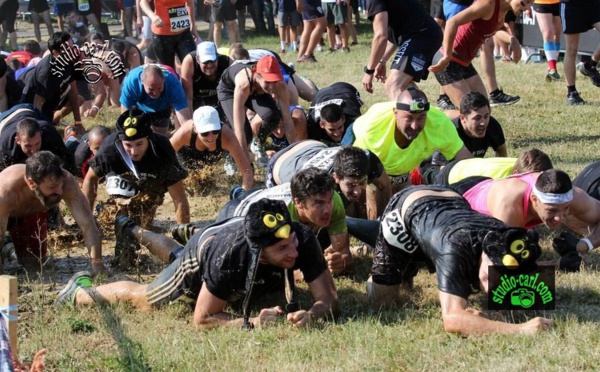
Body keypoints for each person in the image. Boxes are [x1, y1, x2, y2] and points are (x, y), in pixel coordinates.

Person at [56, 199, 339, 330]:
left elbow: (328, 297)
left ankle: (132, 229)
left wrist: (315, 313)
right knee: (146, 298)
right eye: (281, 248)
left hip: (231, 236)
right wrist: (252, 322)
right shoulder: (229, 257)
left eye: (292, 243)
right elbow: (202, 319)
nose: (293, 253)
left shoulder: (300, 237)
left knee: (176, 257)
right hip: (207, 250)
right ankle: (78, 291)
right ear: (258, 249)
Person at [362, 185, 553, 335]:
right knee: (384, 303)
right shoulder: (456, 248)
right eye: (490, 277)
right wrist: (521, 330)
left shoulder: (510, 239)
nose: (491, 289)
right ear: (483, 256)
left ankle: (415, 260)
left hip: (452, 200)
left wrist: (494, 314)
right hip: (405, 207)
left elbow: (528, 296)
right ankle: (379, 273)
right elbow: (452, 320)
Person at [211, 167, 352, 275]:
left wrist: (341, 263)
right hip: (236, 213)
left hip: (260, 194)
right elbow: (267, 265)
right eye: (319, 203)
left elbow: (344, 253)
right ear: (299, 203)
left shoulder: (334, 202)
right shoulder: (278, 216)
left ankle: (238, 191)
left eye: (329, 201)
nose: (327, 209)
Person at [82, 108, 190, 231]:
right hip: (120, 178)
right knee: (121, 208)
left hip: (151, 178)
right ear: (120, 141)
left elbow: (179, 198)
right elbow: (90, 179)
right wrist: (87, 222)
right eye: (128, 145)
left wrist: (184, 233)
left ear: (148, 138)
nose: (134, 152)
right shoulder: (109, 149)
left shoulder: (162, 148)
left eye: (139, 144)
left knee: (144, 220)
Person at [0, 151, 105, 274]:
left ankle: (9, 249)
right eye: (52, 187)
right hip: (4, 211)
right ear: (32, 183)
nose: (60, 191)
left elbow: (88, 225)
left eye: (60, 184)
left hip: (28, 216)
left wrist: (96, 264)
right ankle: (7, 246)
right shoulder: (5, 191)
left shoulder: (66, 182)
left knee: (34, 266)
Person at [457, 169, 600, 258]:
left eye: (566, 209)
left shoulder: (569, 195)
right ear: (534, 200)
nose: (560, 218)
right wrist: (557, 266)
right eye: (551, 210)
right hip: (458, 197)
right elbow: (495, 270)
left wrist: (585, 244)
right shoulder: (509, 206)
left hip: (486, 184)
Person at [352, 87, 471, 189]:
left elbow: (465, 159)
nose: (414, 126)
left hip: (402, 169)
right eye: (409, 118)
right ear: (396, 113)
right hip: (361, 148)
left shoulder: (439, 124)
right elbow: (356, 170)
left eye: (420, 118)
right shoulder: (372, 129)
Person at [428, 0, 530, 108]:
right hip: (448, 63)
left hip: (464, 64)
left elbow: (496, 29)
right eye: (526, 2)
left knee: (483, 110)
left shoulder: (503, 9)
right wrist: (447, 55)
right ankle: (443, 109)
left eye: (531, 3)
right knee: (471, 112)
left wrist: (513, 39)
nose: (528, 8)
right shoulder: (488, 4)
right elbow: (452, 22)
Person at [266, 140, 391, 219]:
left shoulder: (367, 158)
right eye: (351, 185)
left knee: (347, 206)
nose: (357, 191)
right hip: (279, 163)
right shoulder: (316, 183)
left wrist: (380, 224)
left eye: (362, 182)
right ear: (336, 177)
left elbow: (384, 185)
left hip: (311, 145)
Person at [216, 54, 295, 167]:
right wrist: (246, 165)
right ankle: (231, 154)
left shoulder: (279, 85)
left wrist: (294, 149)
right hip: (230, 90)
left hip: (256, 89)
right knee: (245, 132)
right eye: (268, 81)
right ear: (257, 74)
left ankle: (257, 143)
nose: (272, 86)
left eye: (274, 80)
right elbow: (239, 128)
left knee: (273, 116)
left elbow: (287, 120)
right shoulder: (243, 85)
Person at [362, 0, 443, 100]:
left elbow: (380, 37)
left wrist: (369, 71)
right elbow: (395, 36)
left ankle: (410, 115)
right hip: (424, 34)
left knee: (393, 85)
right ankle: (422, 113)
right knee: (405, 85)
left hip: (422, 35)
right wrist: (382, 60)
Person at [170, 106, 254, 190]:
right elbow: (164, 155)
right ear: (195, 128)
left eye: (215, 131)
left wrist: (244, 195)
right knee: (189, 184)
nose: (211, 137)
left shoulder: (227, 137)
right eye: (205, 133)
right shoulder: (185, 133)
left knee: (207, 185)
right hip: (186, 156)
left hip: (210, 159)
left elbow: (247, 172)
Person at [19, 32, 84, 124]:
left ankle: (54, 120)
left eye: (73, 46)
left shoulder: (69, 60)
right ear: (55, 52)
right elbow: (37, 104)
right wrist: (41, 128)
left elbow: (73, 91)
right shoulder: (46, 72)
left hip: (52, 97)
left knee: (79, 99)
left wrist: (78, 122)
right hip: (32, 105)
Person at [120, 64, 192, 135]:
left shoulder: (173, 84)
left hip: (162, 104)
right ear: (142, 81)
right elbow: (125, 117)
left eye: (159, 88)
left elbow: (185, 122)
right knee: (135, 133)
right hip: (139, 103)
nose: (155, 93)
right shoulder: (131, 82)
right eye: (151, 89)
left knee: (160, 137)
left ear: (164, 80)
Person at [0, 104, 69, 173]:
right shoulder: (6, 145)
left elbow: (66, 161)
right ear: (17, 140)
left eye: (37, 143)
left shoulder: (49, 132)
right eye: (28, 146)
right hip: (5, 118)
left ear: (41, 135)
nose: (34, 151)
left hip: (28, 109)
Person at [433, 148, 553, 185]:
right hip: (450, 177)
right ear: (515, 174)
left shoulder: (526, 166)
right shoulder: (497, 182)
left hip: (467, 165)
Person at [560, 0, 600, 104]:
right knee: (572, 49)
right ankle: (571, 92)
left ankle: (590, 64)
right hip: (572, 4)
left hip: (593, 3)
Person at [139, 0, 199, 69]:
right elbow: (143, 2)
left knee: (193, 64)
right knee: (168, 69)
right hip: (162, 34)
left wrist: (193, 26)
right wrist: (153, 16)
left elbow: (190, 3)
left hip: (183, 32)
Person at [180, 41, 230, 116]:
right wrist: (191, 124)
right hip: (195, 98)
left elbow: (234, 95)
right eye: (205, 62)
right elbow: (187, 99)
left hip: (219, 97)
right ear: (197, 59)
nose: (209, 65)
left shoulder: (227, 63)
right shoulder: (189, 63)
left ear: (217, 56)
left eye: (213, 60)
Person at [450, 91, 506, 157]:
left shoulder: (492, 125)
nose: (483, 123)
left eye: (486, 116)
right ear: (463, 118)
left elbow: (501, 151)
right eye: (477, 118)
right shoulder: (450, 133)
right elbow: (439, 165)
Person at [307, 82, 364, 146]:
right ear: (322, 124)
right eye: (331, 129)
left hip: (344, 88)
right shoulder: (313, 125)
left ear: (343, 119)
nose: (337, 133)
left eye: (340, 127)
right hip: (321, 94)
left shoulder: (353, 120)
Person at [528, 0, 561, 81]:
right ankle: (553, 69)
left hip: (559, 3)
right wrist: (527, 6)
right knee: (547, 33)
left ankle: (552, 68)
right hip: (541, 3)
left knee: (556, 35)